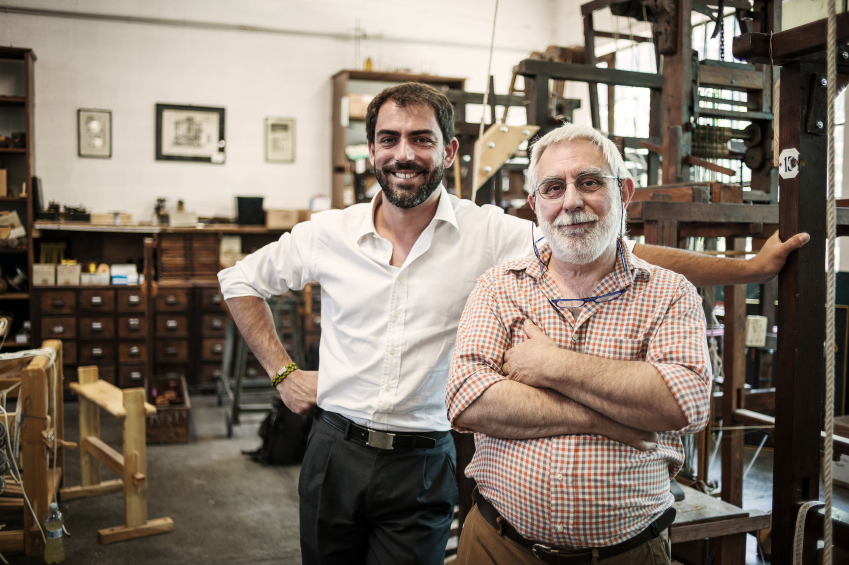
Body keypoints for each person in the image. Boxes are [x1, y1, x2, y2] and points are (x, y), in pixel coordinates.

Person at [217, 82, 806, 565]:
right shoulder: (329, 233)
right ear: (371, 150)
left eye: (421, 139)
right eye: (389, 139)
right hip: (334, 447)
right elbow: (238, 281)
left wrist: (746, 269)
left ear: (448, 152)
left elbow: (611, 246)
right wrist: (283, 373)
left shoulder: (488, 233)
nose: (404, 153)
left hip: (425, 457)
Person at [446, 123, 714, 564]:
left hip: (629, 552)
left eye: (589, 182)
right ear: (535, 205)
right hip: (499, 546)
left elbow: (684, 403)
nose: (571, 202)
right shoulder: (498, 287)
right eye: (553, 188)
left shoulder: (670, 292)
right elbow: (466, 400)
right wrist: (611, 421)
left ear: (624, 191)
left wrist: (552, 365)